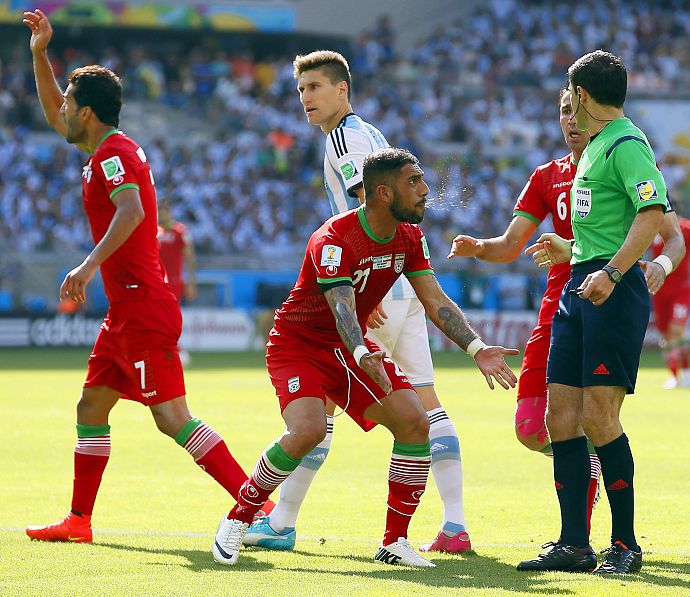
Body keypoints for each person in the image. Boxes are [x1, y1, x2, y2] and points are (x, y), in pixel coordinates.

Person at [211, 148, 518, 567]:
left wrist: (477, 348)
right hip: (298, 344)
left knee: (414, 421)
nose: (425, 190)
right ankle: (239, 518)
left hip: (349, 347)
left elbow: (434, 299)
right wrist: (360, 350)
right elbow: (341, 306)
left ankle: (394, 542)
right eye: (414, 181)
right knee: (309, 431)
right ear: (383, 193)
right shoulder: (333, 239)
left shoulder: (410, 236)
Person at [22, 9, 254, 544]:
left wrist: (87, 265)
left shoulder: (115, 155)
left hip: (144, 304)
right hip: (124, 310)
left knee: (173, 419)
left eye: (70, 104)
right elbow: (56, 115)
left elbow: (129, 213)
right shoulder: (101, 147)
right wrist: (39, 55)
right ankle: (79, 521)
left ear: (88, 112)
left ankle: (254, 507)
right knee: (91, 406)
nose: (62, 111)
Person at [246, 50, 472, 555]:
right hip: (404, 282)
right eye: (301, 89)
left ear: (342, 90)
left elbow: (366, 210)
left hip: (376, 288)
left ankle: (280, 522)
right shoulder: (369, 137)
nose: (305, 98)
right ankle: (454, 525)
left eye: (316, 87)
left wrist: (362, 291)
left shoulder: (347, 138)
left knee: (318, 409)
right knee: (425, 404)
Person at [449, 89, 685, 538]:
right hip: (561, 308)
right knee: (536, 426)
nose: (570, 120)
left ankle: (599, 535)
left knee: (595, 418)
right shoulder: (547, 176)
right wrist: (480, 248)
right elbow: (510, 243)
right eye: (563, 112)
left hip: (607, 295)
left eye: (576, 109)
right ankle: (578, 522)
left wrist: (659, 264)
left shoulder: (623, 157)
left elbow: (669, 232)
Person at [521, 50, 668, 574]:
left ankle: (626, 544)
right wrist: (574, 252)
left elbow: (653, 212)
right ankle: (574, 543)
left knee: (599, 418)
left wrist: (611, 272)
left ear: (581, 95)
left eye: (569, 95)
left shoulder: (626, 143)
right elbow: (606, 221)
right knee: (560, 416)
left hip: (611, 288)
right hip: (581, 283)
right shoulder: (596, 147)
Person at [651, 213, 690, 389]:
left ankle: (686, 374)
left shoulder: (688, 228)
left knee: (677, 330)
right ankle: (674, 376)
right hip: (659, 288)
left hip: (681, 289)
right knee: (665, 335)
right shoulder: (650, 225)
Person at [157, 201, 197, 366]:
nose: (161, 214)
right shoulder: (153, 231)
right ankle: (167, 350)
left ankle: (176, 349)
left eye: (164, 211)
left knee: (169, 317)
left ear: (169, 212)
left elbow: (190, 257)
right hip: (156, 281)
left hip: (174, 282)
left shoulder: (180, 231)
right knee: (158, 317)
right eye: (159, 211)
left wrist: (191, 282)